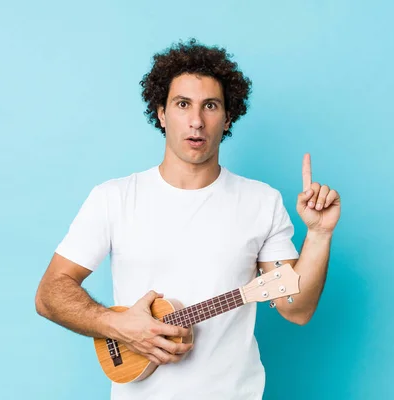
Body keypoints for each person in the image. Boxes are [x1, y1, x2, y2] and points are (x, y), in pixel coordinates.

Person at [35, 38, 341, 400]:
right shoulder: (114, 198)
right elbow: (50, 293)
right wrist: (116, 325)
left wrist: (319, 234)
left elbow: (297, 309)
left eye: (210, 106)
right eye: (183, 104)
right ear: (162, 113)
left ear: (228, 117)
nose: (196, 121)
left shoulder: (261, 201)